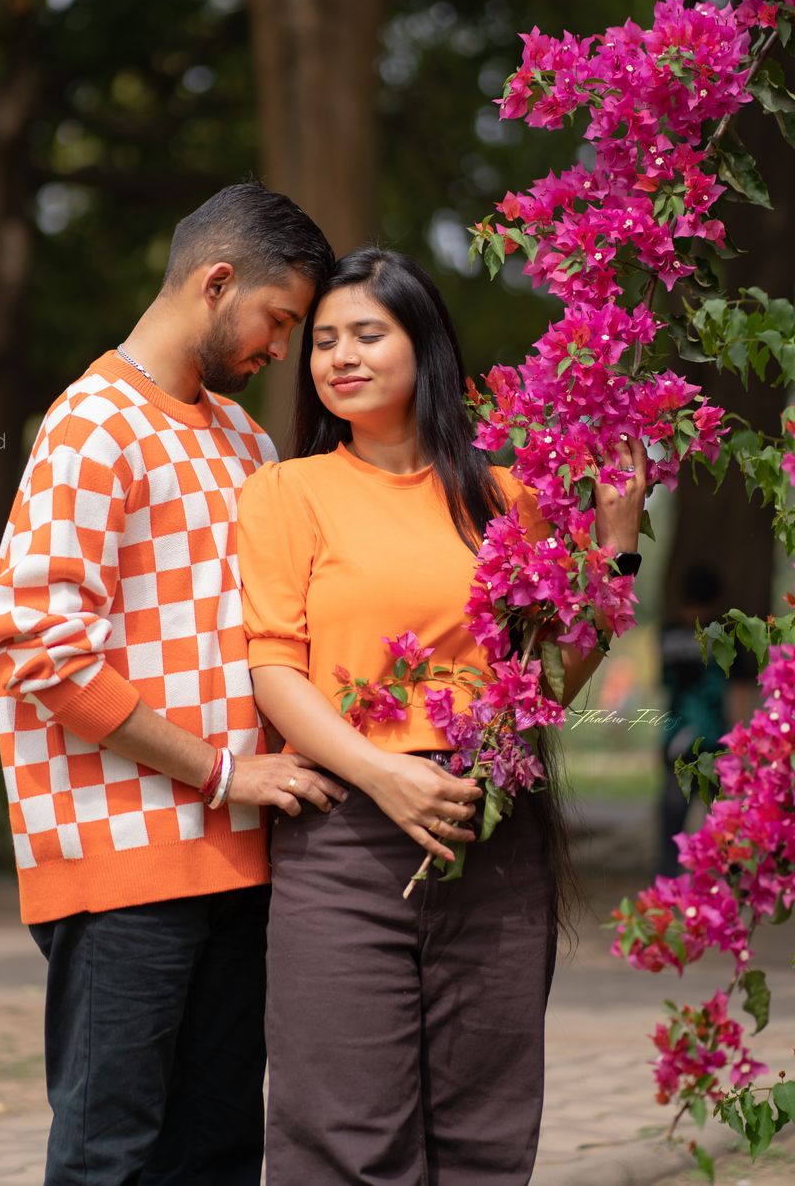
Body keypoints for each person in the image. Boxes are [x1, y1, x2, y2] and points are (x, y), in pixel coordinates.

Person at [236, 247, 646, 1186]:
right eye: (323, 340)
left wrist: (613, 556)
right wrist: (385, 777)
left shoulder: (509, 500)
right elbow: (275, 672)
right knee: (342, 1132)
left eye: (367, 334)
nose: (338, 356)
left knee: (485, 1136)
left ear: (426, 345)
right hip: (344, 837)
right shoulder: (286, 493)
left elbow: (544, 677)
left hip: (493, 827)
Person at [0, 181, 343, 1186]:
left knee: (218, 1156)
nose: (283, 351)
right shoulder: (93, 425)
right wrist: (228, 774)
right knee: (110, 1159)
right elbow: (43, 650)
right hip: (123, 868)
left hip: (241, 863)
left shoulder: (243, 441)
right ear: (217, 283)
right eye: (278, 320)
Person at [657, 562, 729, 878]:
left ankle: (667, 881)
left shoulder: (667, 634)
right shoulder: (724, 637)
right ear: (714, 599)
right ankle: (729, 879)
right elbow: (737, 691)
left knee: (672, 819)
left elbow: (665, 683)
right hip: (717, 739)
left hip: (677, 738)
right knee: (726, 817)